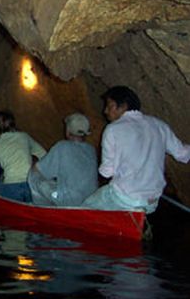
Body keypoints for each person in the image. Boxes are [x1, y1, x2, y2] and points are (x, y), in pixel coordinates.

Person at [82, 86, 190, 214]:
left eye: (109, 106)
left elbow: (107, 172)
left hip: (124, 199)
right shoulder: (159, 125)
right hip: (151, 202)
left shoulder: (113, 129)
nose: (105, 111)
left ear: (123, 107)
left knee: (85, 208)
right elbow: (184, 154)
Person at [27, 113, 98, 206]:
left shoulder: (62, 146)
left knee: (33, 176)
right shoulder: (91, 149)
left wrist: (34, 163)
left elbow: (39, 170)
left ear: (68, 131)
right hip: (90, 199)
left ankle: (43, 210)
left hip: (69, 200)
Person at [0, 110, 46, 202]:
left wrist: (1, 178)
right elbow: (43, 154)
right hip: (30, 184)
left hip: (11, 186)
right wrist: (36, 169)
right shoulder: (24, 136)